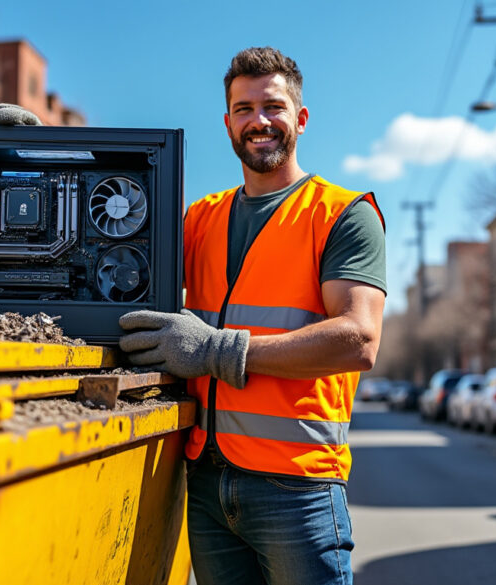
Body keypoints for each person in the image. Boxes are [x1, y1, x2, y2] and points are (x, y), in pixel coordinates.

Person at [117, 47, 386, 585]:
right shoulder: (200, 218)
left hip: (297, 487)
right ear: (227, 122)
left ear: (301, 119)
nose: (258, 121)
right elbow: (113, 251)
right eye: (243, 109)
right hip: (206, 481)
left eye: (273, 107)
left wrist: (218, 350)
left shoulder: (343, 213)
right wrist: (33, 149)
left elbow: (358, 339)